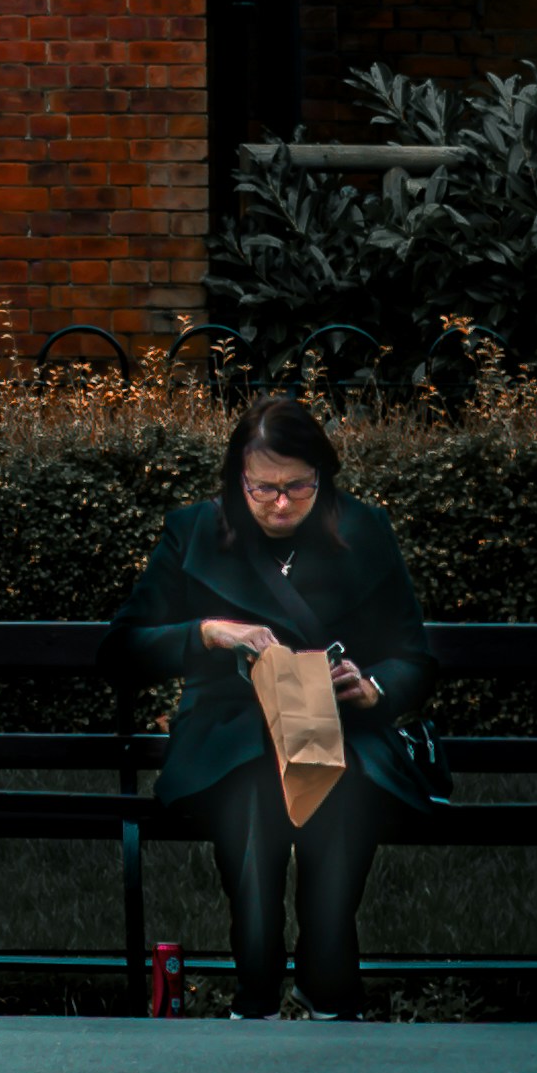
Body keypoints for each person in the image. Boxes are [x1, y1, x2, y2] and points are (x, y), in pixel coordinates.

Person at [114, 396, 437, 1014]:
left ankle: (329, 981)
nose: (281, 503)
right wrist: (207, 632)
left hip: (343, 728)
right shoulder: (193, 531)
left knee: (345, 790)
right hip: (228, 731)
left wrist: (375, 687)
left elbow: (415, 658)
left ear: (324, 476)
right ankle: (256, 983)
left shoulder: (365, 530)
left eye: (298, 487)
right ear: (239, 477)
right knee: (251, 786)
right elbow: (120, 649)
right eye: (263, 489)